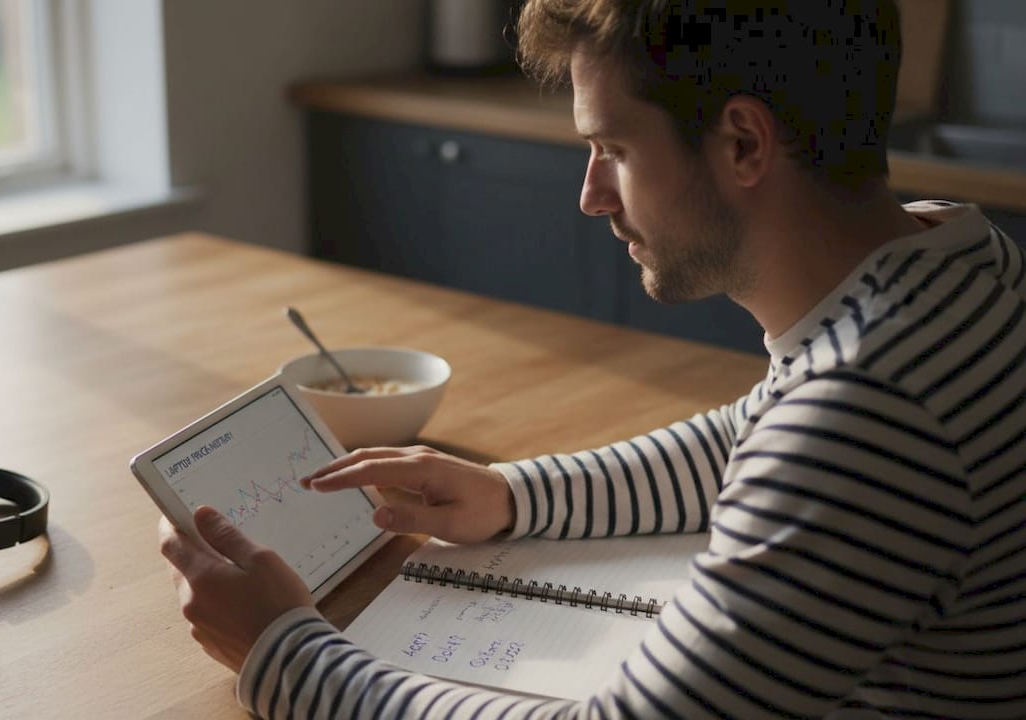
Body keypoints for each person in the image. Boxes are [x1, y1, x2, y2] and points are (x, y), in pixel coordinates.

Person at [158, 0, 1026, 716]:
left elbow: (809, 447)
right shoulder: (955, 258)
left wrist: (281, 652)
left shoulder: (863, 412)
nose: (590, 196)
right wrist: (512, 495)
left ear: (743, 144)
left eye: (613, 149)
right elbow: (754, 437)